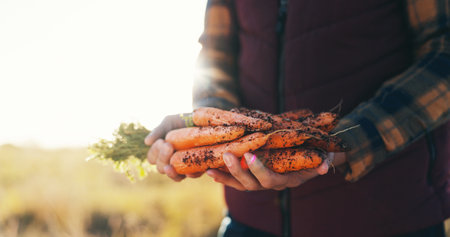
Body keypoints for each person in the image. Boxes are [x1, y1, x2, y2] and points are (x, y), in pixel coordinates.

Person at [145, 0, 450, 236]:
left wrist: (346, 141)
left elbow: (443, 53)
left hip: (389, 217)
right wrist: (211, 127)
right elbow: (217, 53)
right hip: (250, 222)